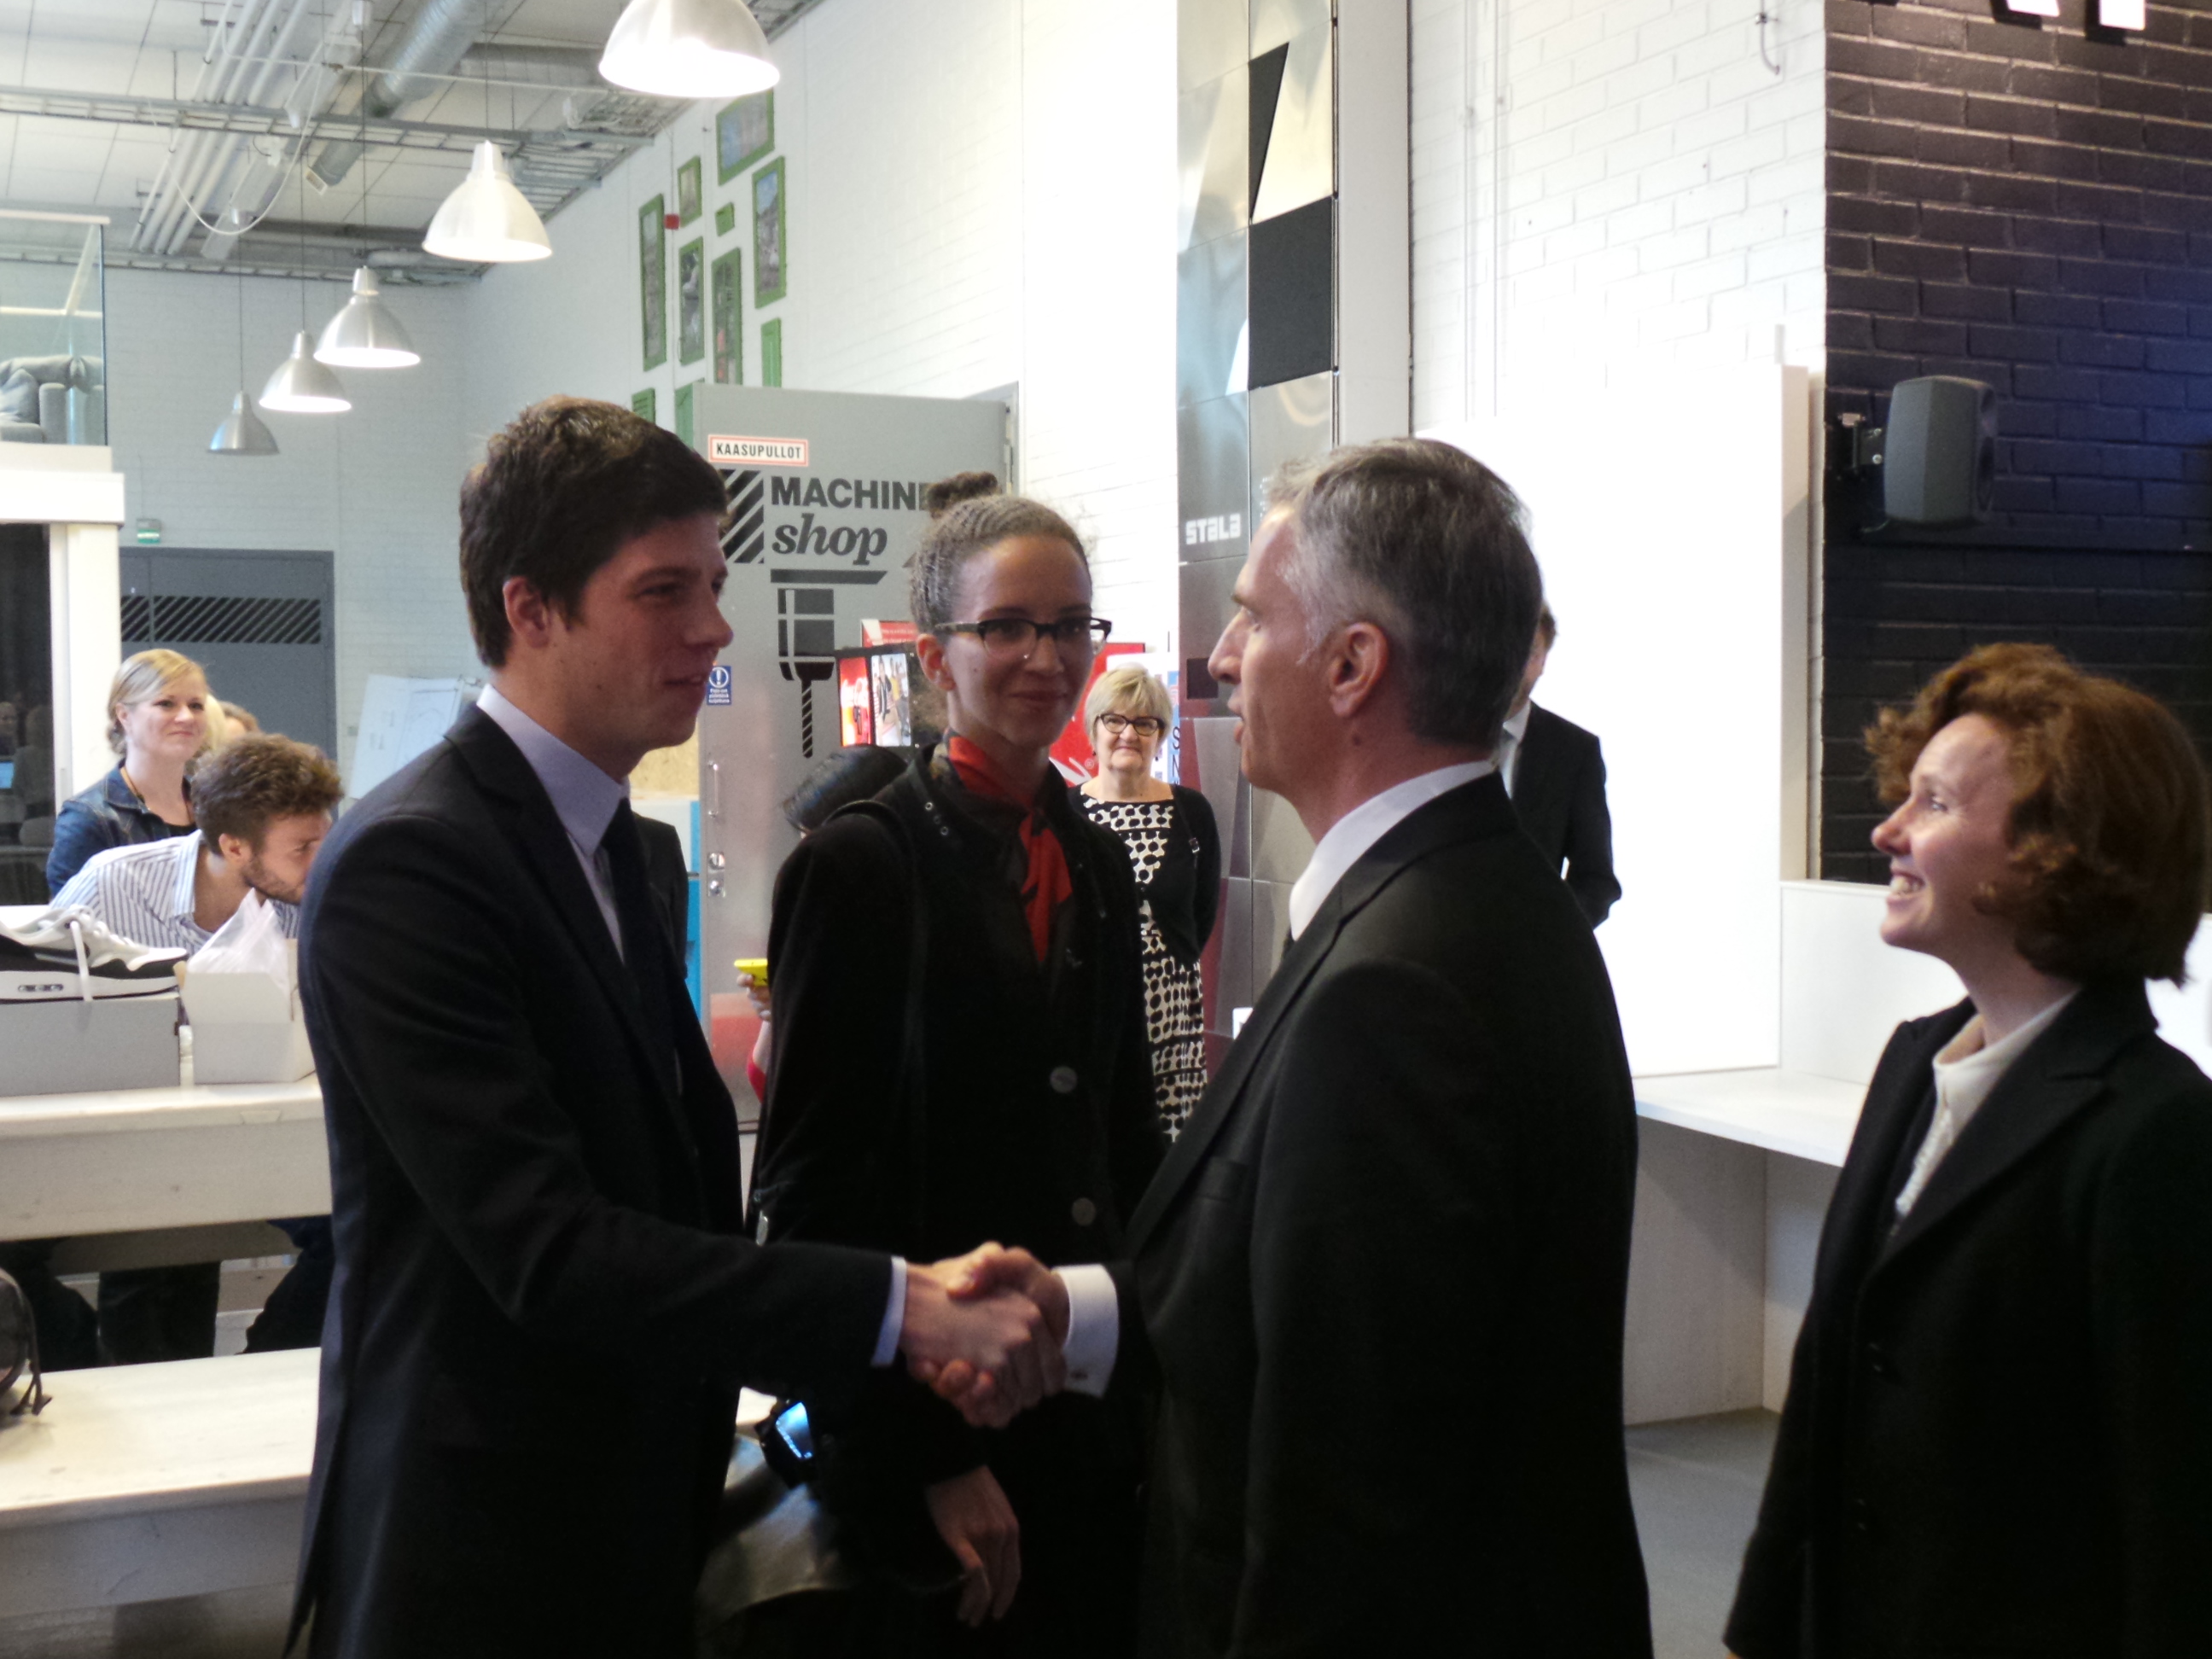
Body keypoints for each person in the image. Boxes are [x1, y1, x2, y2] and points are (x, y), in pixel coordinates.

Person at [289, 397, 1062, 1659]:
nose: (712, 631)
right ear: (530, 608)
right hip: (480, 1543)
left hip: (634, 1511)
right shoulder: (412, 866)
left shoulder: (630, 853)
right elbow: (546, 1249)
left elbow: (683, 1196)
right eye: (664, 592)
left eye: (715, 582)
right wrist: (897, 1309)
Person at [943, 439, 1653, 1656]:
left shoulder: (1398, 985)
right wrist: (1080, 1315)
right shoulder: (1473, 896)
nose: (1221, 661)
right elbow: (1294, 1294)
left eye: (1251, 621)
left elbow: (1350, 1490)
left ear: (1351, 665)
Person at [1726, 643, 2212, 1659]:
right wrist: (1767, 1625)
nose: (1888, 832)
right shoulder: (1916, 1062)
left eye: (1936, 805)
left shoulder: (2156, 1132)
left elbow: (2173, 1507)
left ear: (2060, 851)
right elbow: (1829, 1381)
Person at [751, 496, 1162, 1652]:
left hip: (1081, 1409)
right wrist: (929, 1459)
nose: (1046, 657)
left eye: (1072, 625)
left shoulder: (1092, 854)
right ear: (936, 655)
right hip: (929, 1418)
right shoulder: (861, 867)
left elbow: (1122, 1141)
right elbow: (816, 1201)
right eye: (1009, 627)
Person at [44, 731, 341, 1365]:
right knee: (131, 1267)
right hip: (121, 1138)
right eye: (304, 847)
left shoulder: (315, 898)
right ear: (233, 846)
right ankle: (92, 1380)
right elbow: (37, 988)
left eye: (326, 838)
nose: (324, 859)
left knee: (368, 1230)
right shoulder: (112, 886)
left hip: (263, 1135)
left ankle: (269, 1364)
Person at [1074, 663, 1219, 1138]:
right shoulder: (1066, 813)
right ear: (1093, 728)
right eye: (1114, 721)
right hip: (1094, 1008)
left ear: (1161, 734)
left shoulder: (1190, 811)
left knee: (1171, 1147)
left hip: (1173, 1012)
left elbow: (1201, 913)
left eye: (1145, 723)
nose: (1128, 735)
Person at [742, 744, 911, 1100]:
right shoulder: (819, 922)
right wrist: (780, 1010)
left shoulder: (923, 934)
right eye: (805, 844)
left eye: (825, 849)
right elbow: (763, 1076)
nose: (812, 868)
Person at [45, 649, 213, 896]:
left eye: (196, 705)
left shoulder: (217, 808)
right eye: (166, 704)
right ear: (124, 716)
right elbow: (71, 925)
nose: (186, 717)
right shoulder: (89, 818)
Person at [1494, 603, 1619, 926]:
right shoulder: (1435, 738)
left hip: (1526, 964)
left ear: (1543, 661)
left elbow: (1596, 882)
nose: (1514, 662)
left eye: (1530, 651)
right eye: (1504, 645)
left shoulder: (1575, 753)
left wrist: (1547, 939)